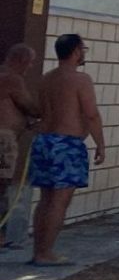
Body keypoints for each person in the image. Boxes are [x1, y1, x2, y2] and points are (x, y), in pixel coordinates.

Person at [29, 33, 104, 266]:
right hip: (67, 143)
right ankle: (46, 253)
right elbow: (91, 114)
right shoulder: (80, 80)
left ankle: (38, 250)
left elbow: (39, 110)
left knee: (45, 199)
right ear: (76, 51)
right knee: (60, 201)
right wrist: (100, 143)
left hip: (44, 141)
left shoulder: (46, 78)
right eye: (83, 49)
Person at [0, 43, 38, 249]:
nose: (30, 67)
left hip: (7, 137)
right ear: (21, 60)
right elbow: (30, 106)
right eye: (30, 63)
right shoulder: (11, 79)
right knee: (2, 185)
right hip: (3, 140)